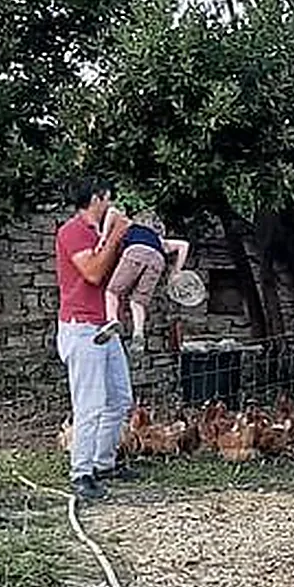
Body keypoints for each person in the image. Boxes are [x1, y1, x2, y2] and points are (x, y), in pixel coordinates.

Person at [55, 177, 134, 501]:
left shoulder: (98, 234)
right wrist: (116, 234)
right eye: (110, 199)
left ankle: (104, 463)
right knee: (89, 405)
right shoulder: (73, 231)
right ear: (99, 198)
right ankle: (81, 473)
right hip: (82, 328)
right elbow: (93, 273)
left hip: (105, 325)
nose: (113, 206)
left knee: (120, 398)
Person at [94, 210, 189, 354]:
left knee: (112, 292)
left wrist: (103, 236)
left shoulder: (132, 225)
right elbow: (184, 245)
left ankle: (112, 320)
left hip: (136, 251)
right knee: (138, 302)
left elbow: (112, 211)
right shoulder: (160, 240)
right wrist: (175, 272)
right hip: (158, 259)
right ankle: (138, 334)